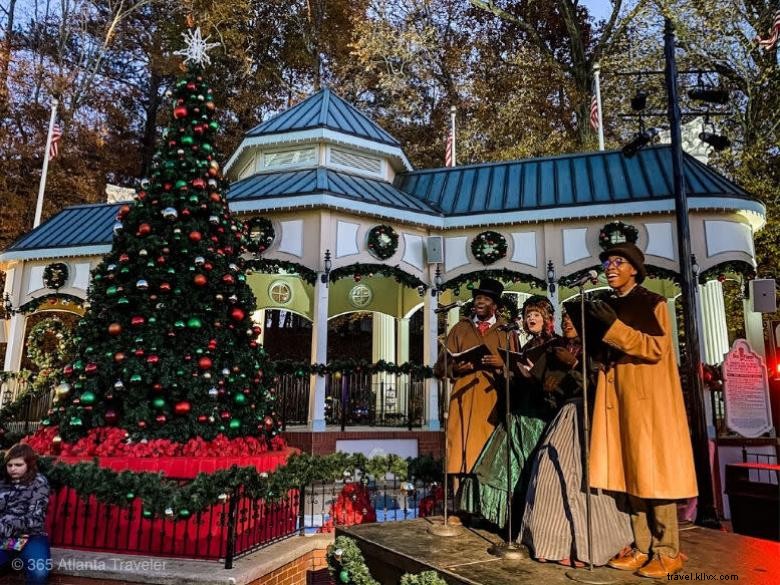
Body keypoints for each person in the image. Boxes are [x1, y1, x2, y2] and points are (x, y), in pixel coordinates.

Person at [588, 242, 697, 578]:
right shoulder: (608, 304)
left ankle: (668, 550)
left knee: (654, 474)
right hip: (617, 399)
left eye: (619, 262)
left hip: (648, 401)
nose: (611, 267)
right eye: (608, 262)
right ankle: (643, 545)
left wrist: (615, 329)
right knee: (630, 471)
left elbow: (655, 348)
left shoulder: (654, 302)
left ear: (634, 268)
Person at [520, 310, 632, 567]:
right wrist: (544, 382)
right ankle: (553, 541)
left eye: (572, 319)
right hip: (565, 413)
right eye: (564, 320)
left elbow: (601, 382)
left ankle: (589, 544)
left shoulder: (595, 348)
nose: (566, 323)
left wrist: (572, 364)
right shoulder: (558, 348)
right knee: (549, 474)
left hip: (592, 416)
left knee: (586, 480)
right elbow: (555, 392)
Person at [460, 295, 557, 529]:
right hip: (519, 410)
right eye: (527, 315)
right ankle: (504, 517)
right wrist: (508, 370)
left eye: (535, 315)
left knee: (528, 467)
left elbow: (552, 381)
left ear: (546, 319)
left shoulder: (554, 344)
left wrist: (529, 373)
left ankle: (528, 520)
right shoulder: (526, 346)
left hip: (538, 414)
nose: (530, 319)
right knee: (502, 465)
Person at [435, 278, 514, 520]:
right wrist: (457, 369)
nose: (480, 301)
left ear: (495, 305)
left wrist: (503, 364)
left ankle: (487, 511)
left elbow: (519, 368)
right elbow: (440, 367)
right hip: (463, 399)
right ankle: (459, 508)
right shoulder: (459, 329)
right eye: (478, 297)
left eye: (486, 299)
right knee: (459, 454)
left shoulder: (506, 332)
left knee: (487, 456)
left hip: (492, 403)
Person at [0, 443, 51, 584]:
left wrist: (4, 525)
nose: (13, 469)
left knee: (39, 573)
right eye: (9, 465)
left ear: (29, 464)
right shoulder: (3, 482)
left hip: (31, 538)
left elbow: (35, 519)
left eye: (18, 464)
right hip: (5, 539)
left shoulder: (39, 483)